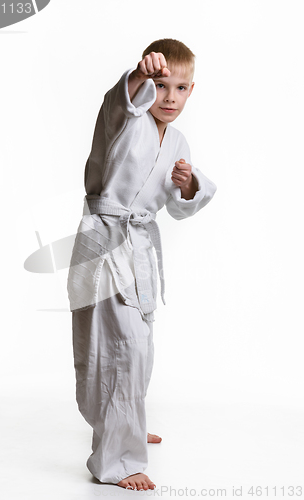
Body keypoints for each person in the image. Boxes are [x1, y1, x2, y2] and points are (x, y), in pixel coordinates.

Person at [67, 38, 217, 491]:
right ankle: (116, 460)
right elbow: (122, 102)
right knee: (118, 347)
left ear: (192, 90)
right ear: (147, 86)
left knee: (140, 345)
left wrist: (188, 185)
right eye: (161, 85)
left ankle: (127, 423)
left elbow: (177, 206)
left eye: (182, 88)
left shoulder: (178, 139)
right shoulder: (123, 119)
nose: (170, 97)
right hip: (105, 243)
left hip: (140, 248)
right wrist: (137, 77)